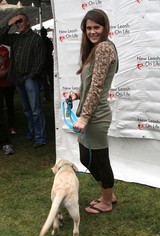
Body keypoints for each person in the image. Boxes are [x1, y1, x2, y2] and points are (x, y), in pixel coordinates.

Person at [64, 9, 119, 214]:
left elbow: (97, 87)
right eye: (89, 28)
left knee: (99, 159)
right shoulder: (95, 49)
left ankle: (107, 201)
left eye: (97, 27)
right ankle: (107, 193)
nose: (92, 31)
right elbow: (90, 84)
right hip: (89, 114)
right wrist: (77, 95)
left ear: (104, 28)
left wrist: (85, 117)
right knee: (85, 156)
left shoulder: (104, 48)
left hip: (97, 115)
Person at [0, 13, 47, 148]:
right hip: (18, 78)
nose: (19, 24)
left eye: (21, 21)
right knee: (26, 109)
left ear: (28, 22)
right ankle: (32, 133)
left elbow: (40, 60)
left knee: (35, 109)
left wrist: (32, 75)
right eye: (17, 22)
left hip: (29, 78)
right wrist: (9, 23)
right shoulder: (15, 38)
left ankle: (40, 137)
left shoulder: (36, 39)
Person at [0, 44, 16, 135]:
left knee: (10, 105)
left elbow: (12, 64)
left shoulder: (7, 48)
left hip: (8, 82)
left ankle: (11, 126)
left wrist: (5, 72)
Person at [40, 27, 54, 101]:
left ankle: (47, 96)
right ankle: (52, 93)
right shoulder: (48, 40)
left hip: (44, 64)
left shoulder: (40, 41)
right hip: (48, 62)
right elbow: (51, 49)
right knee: (50, 80)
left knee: (45, 81)